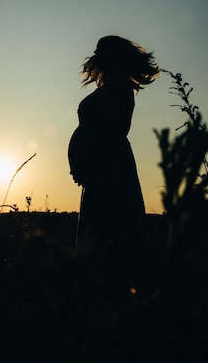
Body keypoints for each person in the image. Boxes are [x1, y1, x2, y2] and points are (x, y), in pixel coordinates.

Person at [68, 35, 159, 294]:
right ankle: (102, 293)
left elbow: (117, 127)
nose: (95, 54)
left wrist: (88, 157)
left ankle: (110, 295)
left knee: (109, 230)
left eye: (101, 50)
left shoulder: (119, 84)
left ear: (114, 54)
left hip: (110, 168)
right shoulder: (111, 84)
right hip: (101, 167)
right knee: (101, 232)